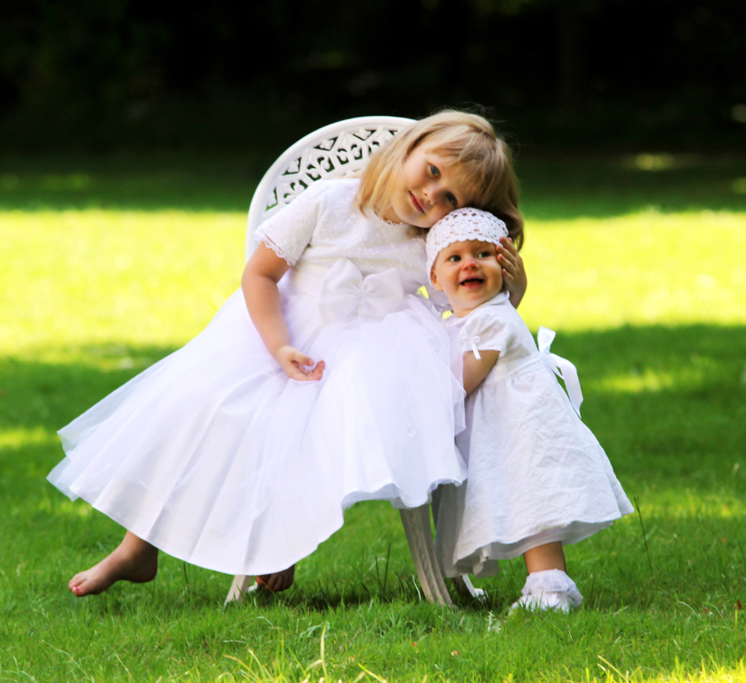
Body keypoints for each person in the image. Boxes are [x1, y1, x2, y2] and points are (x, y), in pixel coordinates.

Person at [48, 111, 528, 597]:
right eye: (431, 172)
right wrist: (278, 346)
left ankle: (280, 544)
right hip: (286, 332)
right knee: (202, 406)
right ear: (408, 148)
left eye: (450, 198)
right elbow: (259, 274)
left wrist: (514, 286)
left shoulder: (433, 242)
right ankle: (138, 547)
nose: (432, 195)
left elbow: (473, 310)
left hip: (378, 354)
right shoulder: (329, 201)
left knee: (329, 421)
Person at [427, 208, 633, 613]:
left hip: (524, 430)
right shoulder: (470, 317)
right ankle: (543, 587)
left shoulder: (493, 320)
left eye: (483, 254)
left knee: (536, 505)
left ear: (504, 267)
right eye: (455, 258)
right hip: (503, 429)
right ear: (435, 278)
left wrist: (419, 397)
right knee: (519, 503)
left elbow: (460, 382)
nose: (469, 262)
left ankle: (550, 589)